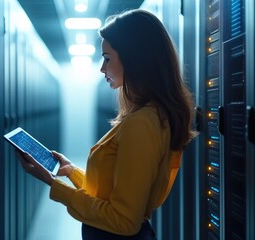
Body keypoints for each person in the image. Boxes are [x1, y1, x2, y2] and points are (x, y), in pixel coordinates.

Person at [17, 9, 197, 240]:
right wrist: (71, 172)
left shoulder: (141, 124)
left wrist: (52, 183)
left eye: (107, 58)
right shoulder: (150, 116)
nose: (102, 68)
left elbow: (123, 221)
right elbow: (114, 192)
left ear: (134, 59)